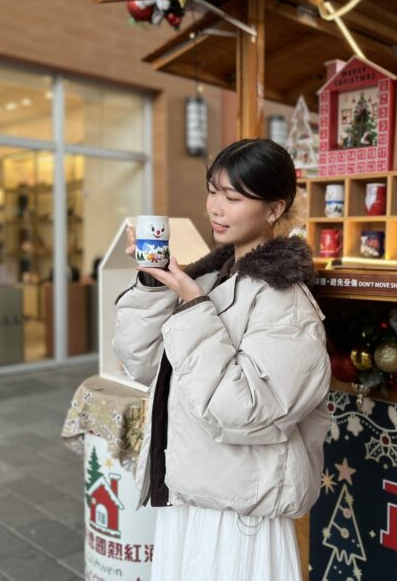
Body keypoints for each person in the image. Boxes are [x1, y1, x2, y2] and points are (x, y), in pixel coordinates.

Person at [112, 139, 331, 580]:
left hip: (239, 508)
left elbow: (246, 412)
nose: (216, 207)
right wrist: (155, 286)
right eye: (213, 191)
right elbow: (141, 364)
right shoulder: (210, 277)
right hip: (191, 490)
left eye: (233, 197)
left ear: (274, 209)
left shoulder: (285, 298)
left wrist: (194, 307)